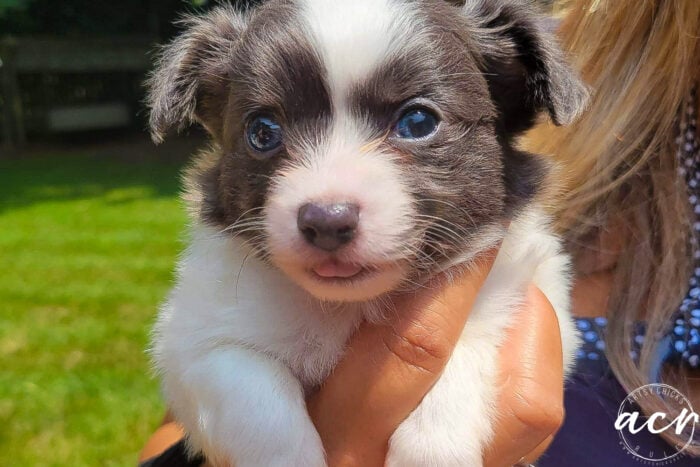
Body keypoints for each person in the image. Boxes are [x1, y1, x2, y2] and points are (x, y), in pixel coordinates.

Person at [140, 0, 700, 464]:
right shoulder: (233, 284)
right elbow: (198, 358)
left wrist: (461, 385)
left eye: (416, 122)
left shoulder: (516, 266)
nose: (327, 205)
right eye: (265, 132)